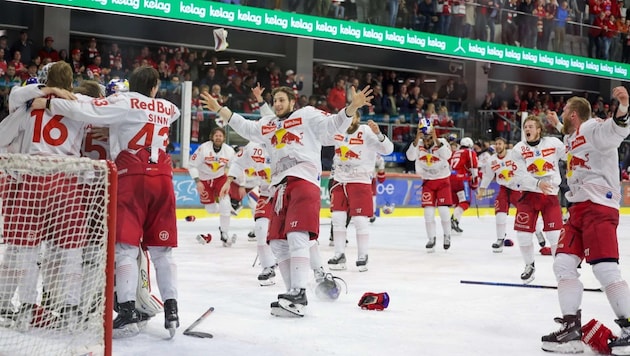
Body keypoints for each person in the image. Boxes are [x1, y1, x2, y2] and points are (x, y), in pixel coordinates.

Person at [31, 65, 181, 338]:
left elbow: (85, 108)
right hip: (163, 176)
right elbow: (173, 112)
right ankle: (172, 308)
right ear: (156, 86)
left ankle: (123, 309)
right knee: (160, 251)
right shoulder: (169, 108)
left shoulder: (121, 103)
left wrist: (52, 98)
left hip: (122, 179)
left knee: (118, 249)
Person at [200, 84, 372, 317]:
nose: (278, 103)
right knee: (277, 242)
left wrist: (351, 107)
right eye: (275, 100)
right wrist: (220, 109)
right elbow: (246, 127)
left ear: (293, 102)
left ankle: (299, 291)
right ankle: (293, 294)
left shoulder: (307, 114)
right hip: (278, 187)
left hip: (303, 181)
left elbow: (333, 126)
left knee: (296, 234)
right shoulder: (269, 124)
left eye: (282, 100)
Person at [540, 87, 630, 354]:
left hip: (599, 206)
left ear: (575, 114)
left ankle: (628, 328)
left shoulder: (592, 127)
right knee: (563, 263)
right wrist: (556, 124)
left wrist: (623, 108)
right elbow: (568, 137)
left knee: (604, 268)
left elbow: (616, 131)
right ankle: (571, 330)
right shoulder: (572, 137)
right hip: (577, 209)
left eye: (564, 111)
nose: (562, 114)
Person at [0, 61, 84, 329]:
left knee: (25, 250)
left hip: (32, 179)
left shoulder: (27, 103)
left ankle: (25, 308)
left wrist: (46, 93)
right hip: (67, 182)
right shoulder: (81, 104)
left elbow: (13, 99)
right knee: (71, 252)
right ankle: (71, 309)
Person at [325, 113, 394, 272]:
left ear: (357, 118)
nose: (350, 121)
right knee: (337, 218)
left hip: (360, 181)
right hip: (339, 181)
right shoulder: (338, 131)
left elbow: (388, 149)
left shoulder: (365, 131)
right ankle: (339, 254)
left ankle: (363, 256)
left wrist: (378, 134)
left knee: (360, 220)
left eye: (354, 117)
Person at [508, 115, 565, 284]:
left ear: (539, 129)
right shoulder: (518, 149)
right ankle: (529, 266)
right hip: (528, 195)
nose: (527, 129)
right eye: (526, 127)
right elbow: (519, 175)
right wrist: (537, 183)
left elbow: (570, 153)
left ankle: (561, 270)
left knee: (555, 236)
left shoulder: (553, 143)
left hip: (550, 195)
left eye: (531, 126)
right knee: (523, 235)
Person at [405, 118, 453, 252]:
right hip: (427, 181)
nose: (426, 142)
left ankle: (447, 235)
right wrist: (416, 139)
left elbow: (447, 155)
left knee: (444, 211)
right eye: (424, 138)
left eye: (428, 139)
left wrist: (436, 140)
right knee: (428, 213)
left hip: (442, 180)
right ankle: (431, 238)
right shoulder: (418, 144)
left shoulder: (441, 142)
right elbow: (410, 157)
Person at [187, 127, 236, 247]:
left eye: (221, 135)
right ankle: (227, 209)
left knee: (225, 202)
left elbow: (235, 166)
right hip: (204, 180)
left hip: (220, 179)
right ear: (212, 137)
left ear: (224, 138)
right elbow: (191, 165)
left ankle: (224, 233)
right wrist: (197, 181)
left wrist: (229, 181)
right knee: (210, 209)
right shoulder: (203, 148)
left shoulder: (229, 151)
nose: (218, 137)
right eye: (216, 135)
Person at [477, 137, 522, 252]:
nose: (498, 146)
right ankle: (500, 239)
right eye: (496, 144)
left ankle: (537, 233)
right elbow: (487, 177)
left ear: (505, 145)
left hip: (517, 188)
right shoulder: (491, 160)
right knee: (500, 214)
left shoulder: (514, 154)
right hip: (503, 188)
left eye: (500, 143)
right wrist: (481, 191)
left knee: (525, 212)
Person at [448, 137, 479, 234]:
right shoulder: (469, 152)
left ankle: (455, 222)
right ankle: (453, 221)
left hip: (451, 178)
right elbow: (474, 167)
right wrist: (475, 182)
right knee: (465, 202)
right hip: (461, 179)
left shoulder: (454, 153)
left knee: (458, 203)